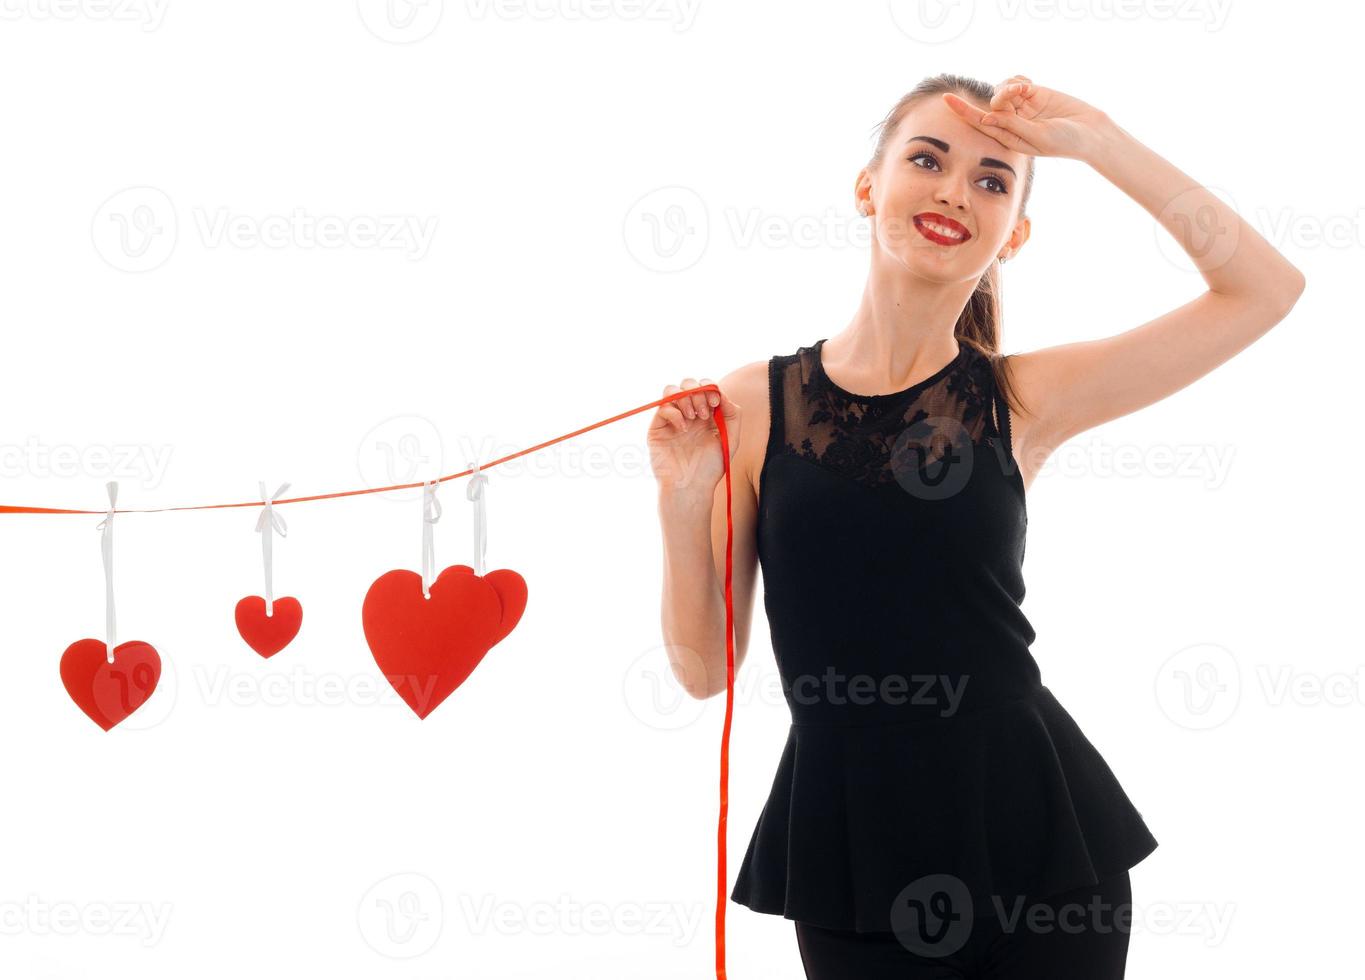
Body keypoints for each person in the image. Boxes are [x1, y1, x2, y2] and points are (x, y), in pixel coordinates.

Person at [649, 73, 1304, 978]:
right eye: (927, 158)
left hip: (1040, 847)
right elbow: (699, 674)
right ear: (867, 185)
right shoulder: (749, 405)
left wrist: (1100, 140)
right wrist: (682, 500)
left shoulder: (1021, 399)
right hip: (850, 854)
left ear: (1015, 233)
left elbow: (1262, 290)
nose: (957, 188)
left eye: (994, 180)